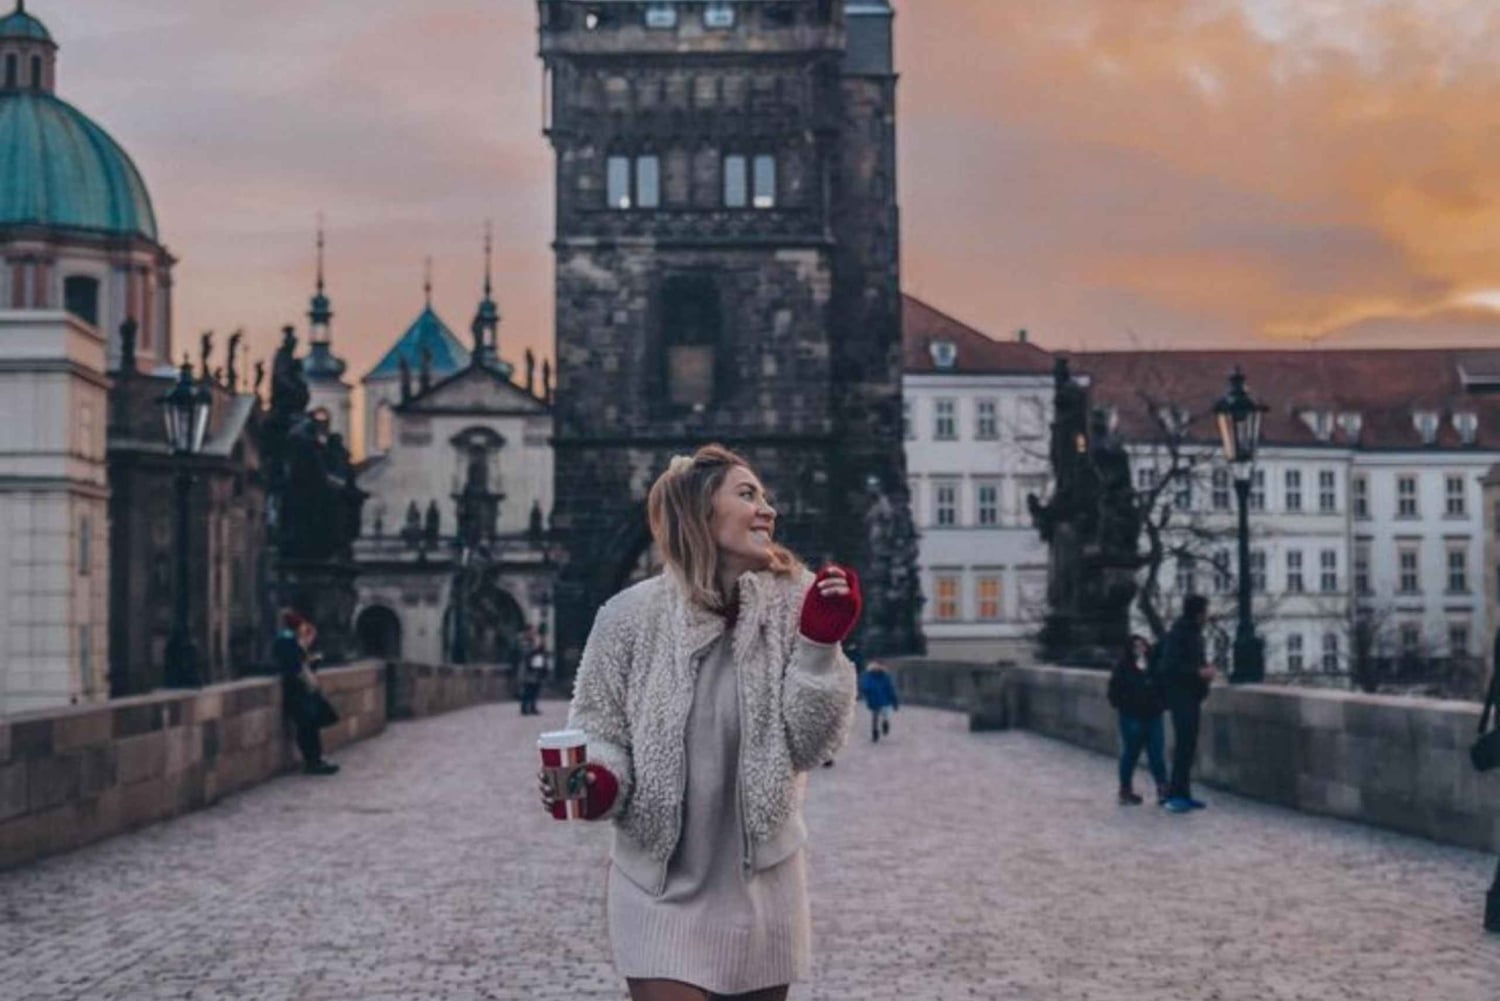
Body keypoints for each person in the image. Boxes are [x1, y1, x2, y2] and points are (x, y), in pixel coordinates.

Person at [540, 444, 860, 1001]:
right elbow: (599, 731)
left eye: (764, 497)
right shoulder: (626, 618)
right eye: (747, 494)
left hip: (761, 883)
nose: (768, 510)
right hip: (657, 884)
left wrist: (820, 644)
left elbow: (812, 745)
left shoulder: (796, 603)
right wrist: (597, 782)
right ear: (700, 511)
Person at [1157, 595, 1215, 813]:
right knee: (1183, 745)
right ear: (1199, 613)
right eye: (1205, 611)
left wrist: (1204, 670)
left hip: (1192, 695)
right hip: (1180, 696)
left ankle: (1183, 793)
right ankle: (1175, 794)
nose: (1207, 615)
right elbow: (1170, 667)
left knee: (1188, 746)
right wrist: (1198, 673)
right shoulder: (1179, 634)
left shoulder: (1193, 633)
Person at [272, 609, 339, 776]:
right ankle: (312, 762)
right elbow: (294, 666)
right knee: (306, 727)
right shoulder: (287, 641)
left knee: (311, 726)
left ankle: (316, 759)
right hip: (298, 691)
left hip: (301, 690)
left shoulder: (290, 641)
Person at [1107, 634, 1168, 805]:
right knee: (1131, 754)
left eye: (1143, 645)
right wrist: (1128, 704)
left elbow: (1163, 686)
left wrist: (1161, 703)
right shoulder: (1123, 667)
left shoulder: (1154, 666)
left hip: (1153, 715)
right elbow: (1114, 693)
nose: (1140, 649)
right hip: (1132, 716)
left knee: (1156, 754)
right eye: (1136, 646)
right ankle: (1126, 790)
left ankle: (1163, 788)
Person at [858, 660, 899, 743]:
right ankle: (875, 731)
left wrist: (894, 701)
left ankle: (885, 723)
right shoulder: (869, 676)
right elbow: (864, 686)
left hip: (884, 699)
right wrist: (867, 691)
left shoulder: (885, 676)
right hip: (874, 699)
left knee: (885, 714)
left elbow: (890, 688)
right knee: (875, 716)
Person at [519, 627, 549, 716]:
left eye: (534, 632)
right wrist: (536, 648)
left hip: (536, 668)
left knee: (535, 689)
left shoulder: (535, 641)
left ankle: (533, 707)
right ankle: (524, 708)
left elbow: (541, 652)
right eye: (531, 632)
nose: (533, 634)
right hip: (528, 669)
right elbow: (526, 653)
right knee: (527, 689)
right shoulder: (525, 642)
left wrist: (541, 644)